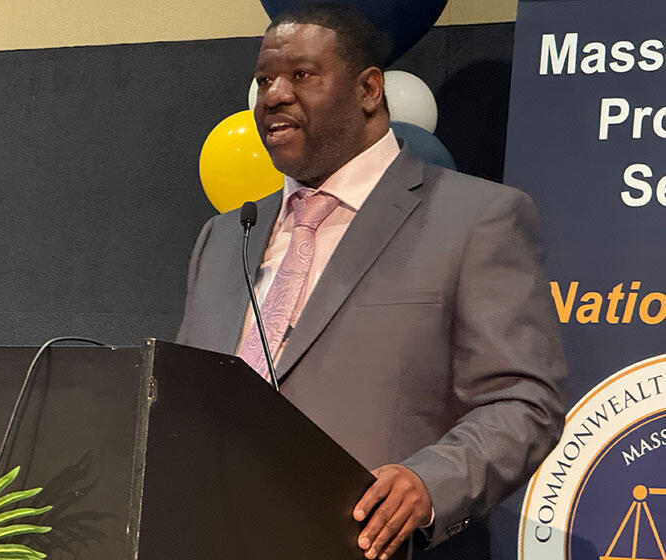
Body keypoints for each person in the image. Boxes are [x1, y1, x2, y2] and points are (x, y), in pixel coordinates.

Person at [176, 4, 567, 559]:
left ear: (368, 90)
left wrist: (429, 482)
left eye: (301, 75)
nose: (274, 95)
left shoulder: (477, 218)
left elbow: (524, 399)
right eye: (264, 80)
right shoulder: (223, 236)